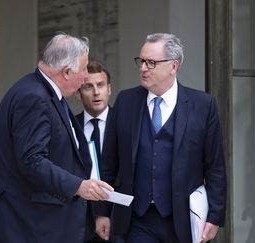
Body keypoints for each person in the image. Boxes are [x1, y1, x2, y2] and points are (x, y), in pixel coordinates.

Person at [0, 33, 113, 243]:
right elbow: (32, 160)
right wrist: (79, 186)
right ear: (66, 72)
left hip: (42, 224)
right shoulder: (34, 97)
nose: (86, 75)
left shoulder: (40, 91)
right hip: (31, 226)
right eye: (84, 69)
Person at [95, 33, 227, 243]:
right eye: (141, 61)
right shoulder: (126, 101)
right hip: (135, 219)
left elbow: (215, 166)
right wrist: (102, 211)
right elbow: (109, 162)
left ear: (173, 66)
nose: (143, 68)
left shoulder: (203, 105)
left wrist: (215, 216)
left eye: (151, 63)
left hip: (183, 219)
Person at [76, 61, 113, 242]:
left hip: (117, 221)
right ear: (78, 93)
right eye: (88, 87)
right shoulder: (70, 127)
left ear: (109, 89)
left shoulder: (126, 124)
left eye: (101, 85)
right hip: (79, 222)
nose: (96, 92)